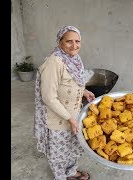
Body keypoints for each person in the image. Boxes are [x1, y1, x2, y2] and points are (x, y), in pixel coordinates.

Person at [34, 25, 95, 180]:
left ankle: (71, 172)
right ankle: (61, 176)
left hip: (74, 116)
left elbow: (74, 83)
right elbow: (49, 97)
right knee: (58, 154)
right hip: (59, 120)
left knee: (72, 147)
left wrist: (84, 92)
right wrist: (69, 119)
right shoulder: (54, 62)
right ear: (60, 42)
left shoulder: (74, 59)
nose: (74, 46)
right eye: (69, 41)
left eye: (77, 41)